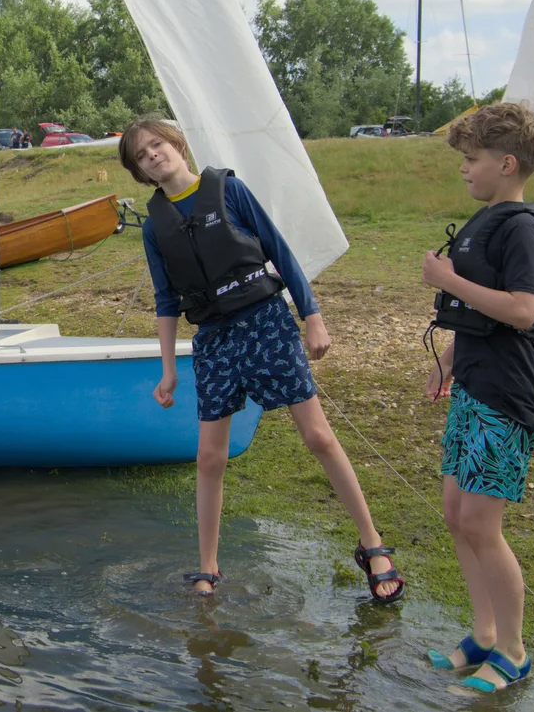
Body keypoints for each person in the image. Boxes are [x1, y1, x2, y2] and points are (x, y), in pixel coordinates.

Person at [119, 118, 404, 602]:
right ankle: (208, 566)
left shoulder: (229, 190)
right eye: (142, 155)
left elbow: (279, 251)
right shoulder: (155, 227)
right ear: (140, 172)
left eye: (157, 144)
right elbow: (166, 300)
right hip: (213, 338)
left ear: (176, 144)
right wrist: (168, 369)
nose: (152, 156)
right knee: (209, 457)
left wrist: (312, 315)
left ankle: (373, 545)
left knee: (317, 436)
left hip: (265, 321)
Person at [420, 102, 534, 694]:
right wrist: (446, 361)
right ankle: (482, 632)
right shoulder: (486, 220)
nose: (464, 170)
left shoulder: (523, 226)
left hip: (506, 392)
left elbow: (524, 310)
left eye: (472, 160)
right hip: (473, 384)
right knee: (457, 516)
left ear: (506, 163)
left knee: (482, 522)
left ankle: (513, 650)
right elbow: (477, 313)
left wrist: (446, 279)